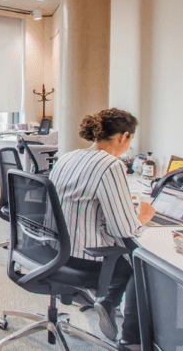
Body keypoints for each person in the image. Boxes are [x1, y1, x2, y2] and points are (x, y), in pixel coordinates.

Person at [49, 108, 155, 351]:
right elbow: (124, 228)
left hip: (54, 251)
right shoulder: (110, 165)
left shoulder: (68, 156)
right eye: (130, 139)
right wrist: (143, 216)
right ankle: (131, 338)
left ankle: (109, 303)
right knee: (140, 262)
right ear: (122, 137)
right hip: (85, 260)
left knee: (126, 255)